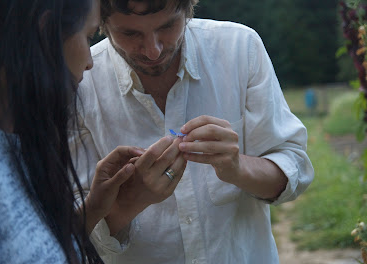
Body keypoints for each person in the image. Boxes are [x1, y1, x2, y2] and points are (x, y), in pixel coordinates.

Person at [70, 0, 315, 263]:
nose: (153, 51)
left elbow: (295, 167)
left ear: (188, 9)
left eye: (168, 26)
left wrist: (239, 168)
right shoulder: (79, 81)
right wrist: (131, 200)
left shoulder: (239, 48)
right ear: (101, 24)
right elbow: (66, 227)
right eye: (130, 33)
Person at [0, 0, 144, 263]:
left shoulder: (12, 144)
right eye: (87, 36)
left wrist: (95, 208)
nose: (89, 62)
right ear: (46, 34)